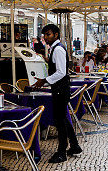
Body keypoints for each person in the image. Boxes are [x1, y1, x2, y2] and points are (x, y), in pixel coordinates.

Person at [32, 24, 82, 163]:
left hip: (61, 89)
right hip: (59, 88)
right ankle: (75, 145)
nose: (46, 37)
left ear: (55, 34)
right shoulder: (54, 49)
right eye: (44, 35)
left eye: (48, 34)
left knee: (59, 121)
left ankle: (62, 152)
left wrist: (44, 81)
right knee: (63, 118)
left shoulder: (58, 49)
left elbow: (61, 72)